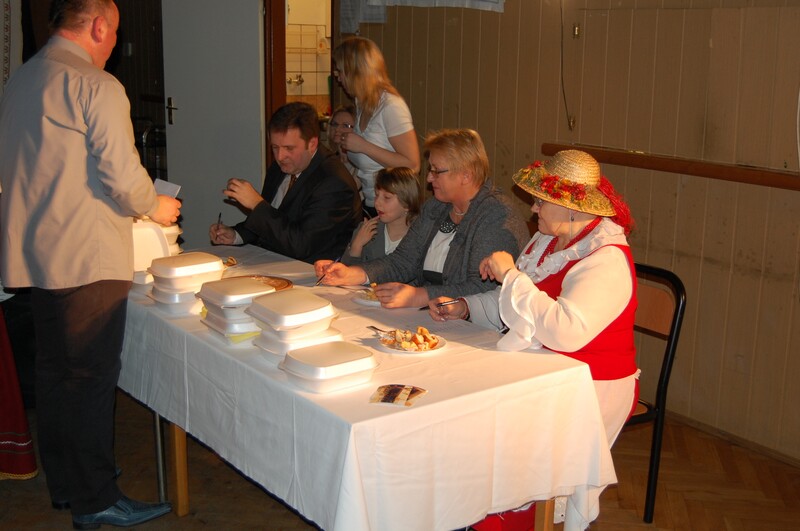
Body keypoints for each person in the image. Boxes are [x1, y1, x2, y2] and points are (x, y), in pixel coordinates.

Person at [0, 0, 180, 528]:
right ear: (99, 26)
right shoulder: (95, 85)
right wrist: (155, 205)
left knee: (56, 376)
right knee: (90, 380)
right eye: (115, 33)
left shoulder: (23, 78)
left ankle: (72, 485)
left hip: (38, 253)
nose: (114, 46)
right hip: (86, 257)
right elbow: (122, 178)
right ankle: (96, 499)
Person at [432, 149, 638, 529]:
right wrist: (467, 307)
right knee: (466, 405)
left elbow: (563, 330)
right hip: (544, 369)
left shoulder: (604, 259)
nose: (533, 208)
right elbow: (518, 307)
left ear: (571, 207)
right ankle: (467, 508)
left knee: (497, 440)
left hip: (589, 387)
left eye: (541, 201)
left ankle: (499, 515)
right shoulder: (547, 240)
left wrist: (512, 276)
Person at [315, 129, 529, 308]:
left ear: (466, 175)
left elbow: (483, 288)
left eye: (436, 171)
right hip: (428, 314)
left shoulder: (496, 215)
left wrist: (419, 295)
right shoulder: (436, 206)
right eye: (430, 169)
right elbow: (403, 260)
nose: (428, 178)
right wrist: (352, 273)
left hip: (473, 328)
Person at [208, 102, 362, 264]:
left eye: (289, 148)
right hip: (274, 261)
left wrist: (256, 204)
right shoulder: (281, 166)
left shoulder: (333, 182)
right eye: (275, 147)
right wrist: (236, 235)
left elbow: (301, 245)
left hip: (312, 271)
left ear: (312, 144)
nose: (280, 156)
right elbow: (275, 220)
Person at [332, 37, 420, 213]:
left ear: (357, 72)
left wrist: (364, 146)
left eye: (341, 71)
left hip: (394, 210)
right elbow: (368, 170)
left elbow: (413, 165)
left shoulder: (391, 107)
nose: (338, 78)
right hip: (372, 204)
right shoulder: (361, 103)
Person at [340, 166, 422, 265]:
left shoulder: (421, 236)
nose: (377, 203)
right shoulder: (366, 230)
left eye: (387, 197)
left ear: (407, 204)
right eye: (376, 195)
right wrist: (356, 246)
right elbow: (344, 269)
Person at [327, 104, 357, 174]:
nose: (337, 129)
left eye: (345, 125)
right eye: (335, 124)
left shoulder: (359, 165)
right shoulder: (329, 161)